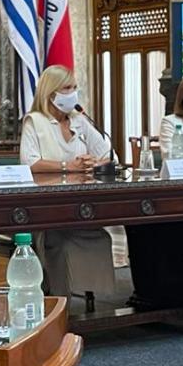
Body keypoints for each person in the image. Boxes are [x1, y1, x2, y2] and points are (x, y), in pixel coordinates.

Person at [20, 65, 116, 299]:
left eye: (74, 87)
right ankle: (58, 298)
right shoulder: (35, 121)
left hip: (80, 206)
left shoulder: (79, 120)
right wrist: (67, 166)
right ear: (51, 93)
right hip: (46, 209)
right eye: (67, 88)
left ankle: (90, 295)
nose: (73, 93)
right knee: (57, 238)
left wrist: (93, 162)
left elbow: (110, 155)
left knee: (101, 237)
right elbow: (29, 163)